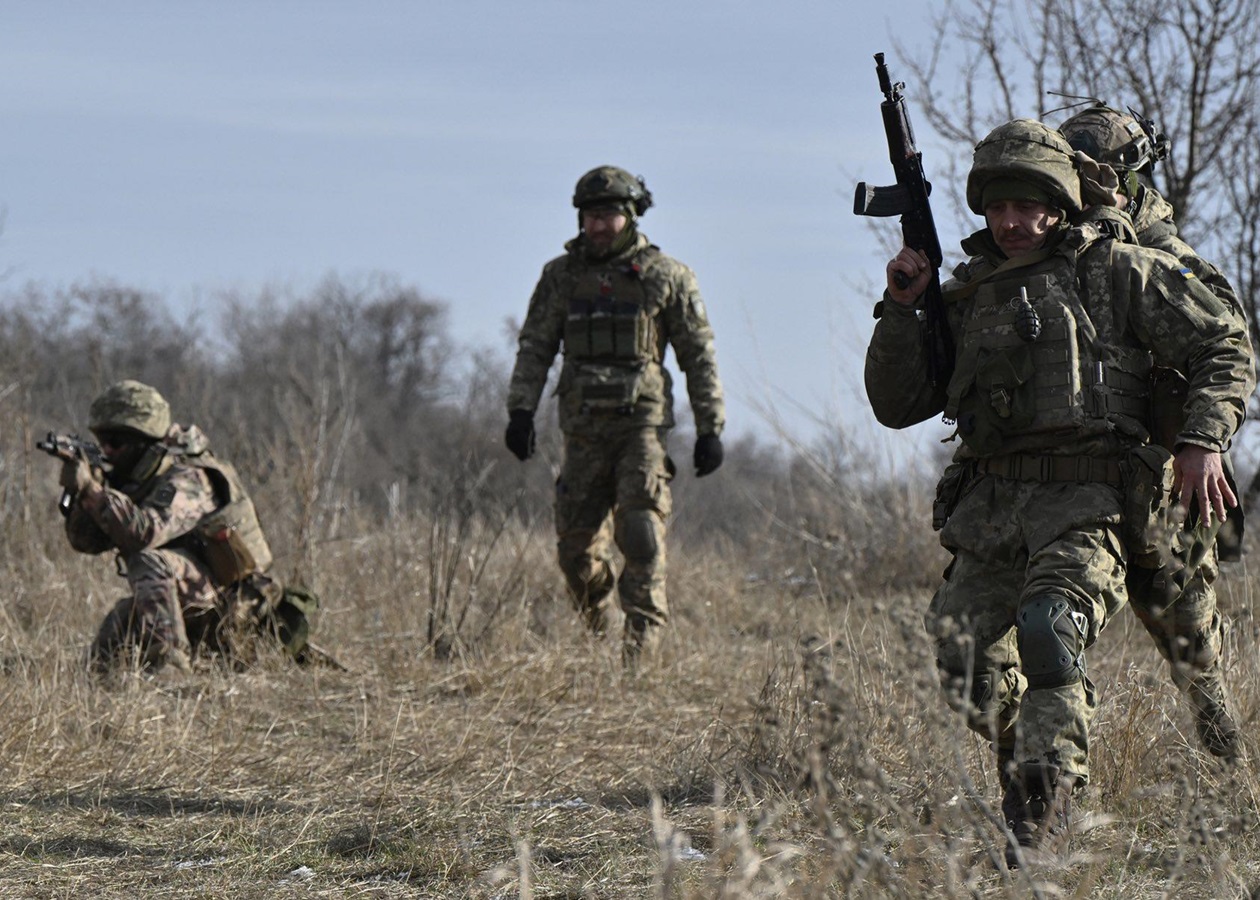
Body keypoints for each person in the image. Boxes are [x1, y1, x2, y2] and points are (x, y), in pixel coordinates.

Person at [863, 120, 1253, 866]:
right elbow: (896, 402)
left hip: (1093, 501)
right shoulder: (966, 293)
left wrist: (1203, 442)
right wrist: (904, 308)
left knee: (1051, 628)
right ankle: (1030, 756)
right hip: (993, 507)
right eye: (999, 207)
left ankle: (1045, 809)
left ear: (1060, 203)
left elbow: (1224, 341)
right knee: (959, 656)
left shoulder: (1116, 271)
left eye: (1030, 206)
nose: (1013, 222)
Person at [1060, 103, 1248, 758]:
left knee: (1182, 618)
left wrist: (1202, 444)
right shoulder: (1051, 244)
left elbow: (1227, 342)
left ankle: (1222, 742)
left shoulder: (1162, 250)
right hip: (1077, 473)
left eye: (1095, 176)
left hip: (1160, 473)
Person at [505, 165, 725, 668]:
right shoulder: (560, 277)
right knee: (575, 556)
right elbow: (535, 346)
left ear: (629, 216)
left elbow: (698, 354)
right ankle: (597, 623)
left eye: (608, 215)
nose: (598, 225)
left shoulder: (667, 276)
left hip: (640, 428)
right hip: (581, 430)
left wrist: (711, 425)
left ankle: (639, 659)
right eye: (590, 216)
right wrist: (520, 409)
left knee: (642, 535)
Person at [50, 380, 314, 674]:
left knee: (148, 561)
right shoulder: (136, 476)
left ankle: (171, 668)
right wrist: (85, 494)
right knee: (112, 639)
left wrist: (94, 491)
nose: (107, 450)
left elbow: (145, 534)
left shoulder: (190, 476)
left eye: (115, 442)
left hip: (235, 612)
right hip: (194, 604)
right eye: (102, 442)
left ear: (144, 439)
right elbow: (86, 542)